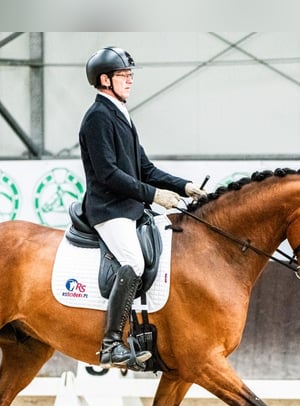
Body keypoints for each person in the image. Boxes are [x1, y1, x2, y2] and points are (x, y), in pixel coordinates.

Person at [79, 46, 206, 369]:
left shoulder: (122, 115)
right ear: (104, 80)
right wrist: (153, 195)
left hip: (131, 206)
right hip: (108, 208)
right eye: (124, 75)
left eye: (130, 75)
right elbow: (108, 174)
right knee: (133, 261)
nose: (130, 80)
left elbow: (144, 168)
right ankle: (111, 345)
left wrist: (183, 186)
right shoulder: (97, 117)